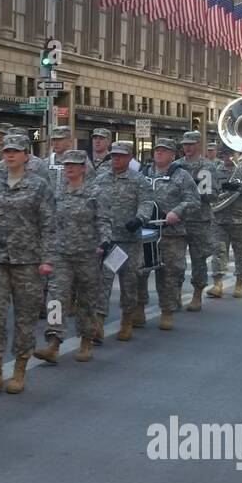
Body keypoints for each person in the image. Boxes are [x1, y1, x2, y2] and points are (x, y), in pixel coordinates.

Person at [0, 134, 55, 395]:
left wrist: (47, 259)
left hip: (28, 260)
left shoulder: (39, 185)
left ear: (26, 155)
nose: (9, 155)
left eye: (15, 151)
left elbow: (48, 224)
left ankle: (19, 370)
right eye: (6, 151)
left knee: (25, 316)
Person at [35, 150, 109, 363]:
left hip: (88, 254)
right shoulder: (57, 192)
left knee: (86, 300)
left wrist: (104, 242)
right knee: (56, 298)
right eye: (67, 165)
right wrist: (46, 250)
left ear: (83, 168)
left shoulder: (95, 192)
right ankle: (53, 342)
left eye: (74, 165)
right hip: (62, 254)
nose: (69, 168)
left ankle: (86, 340)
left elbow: (104, 220)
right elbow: (49, 223)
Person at [93, 141, 148, 341]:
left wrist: (139, 219)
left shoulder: (139, 180)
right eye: (114, 155)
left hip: (129, 241)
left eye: (121, 156)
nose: (116, 159)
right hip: (108, 241)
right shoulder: (100, 179)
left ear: (129, 158)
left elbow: (146, 203)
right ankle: (98, 323)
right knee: (103, 282)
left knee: (128, 282)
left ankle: (127, 319)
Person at [147, 138, 201, 330]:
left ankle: (167, 311)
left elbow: (194, 201)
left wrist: (176, 212)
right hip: (145, 232)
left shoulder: (181, 175)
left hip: (172, 233)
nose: (159, 153)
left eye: (164, 151)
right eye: (157, 150)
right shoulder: (143, 173)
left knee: (170, 273)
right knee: (136, 273)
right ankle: (135, 309)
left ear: (172, 155)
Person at [173, 129, 217, 312]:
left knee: (198, 259)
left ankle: (197, 294)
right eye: (185, 144)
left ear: (199, 145)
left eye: (191, 144)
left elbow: (213, 194)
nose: (187, 147)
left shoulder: (207, 166)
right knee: (175, 260)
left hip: (199, 219)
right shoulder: (175, 166)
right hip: (179, 220)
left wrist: (196, 187)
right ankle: (174, 294)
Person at [209, 147, 242, 299]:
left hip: (241, 219)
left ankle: (240, 283)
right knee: (218, 251)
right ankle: (217, 283)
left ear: (237, 155)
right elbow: (208, 189)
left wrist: (241, 187)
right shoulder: (215, 170)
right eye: (225, 154)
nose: (228, 157)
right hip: (219, 218)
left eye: (231, 154)